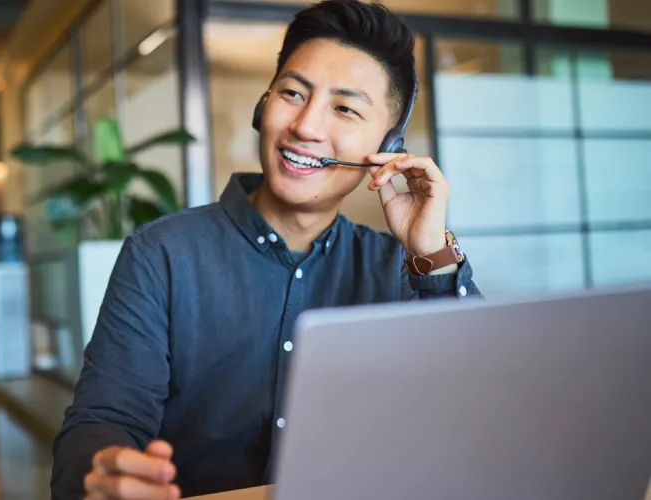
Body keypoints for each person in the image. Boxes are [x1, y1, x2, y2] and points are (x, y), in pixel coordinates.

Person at [51, 1, 483, 498]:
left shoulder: (397, 268)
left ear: (388, 146)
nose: (305, 126)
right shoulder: (160, 255)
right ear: (263, 106)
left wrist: (432, 253)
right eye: (293, 93)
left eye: (344, 108)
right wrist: (103, 473)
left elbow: (476, 411)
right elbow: (101, 422)